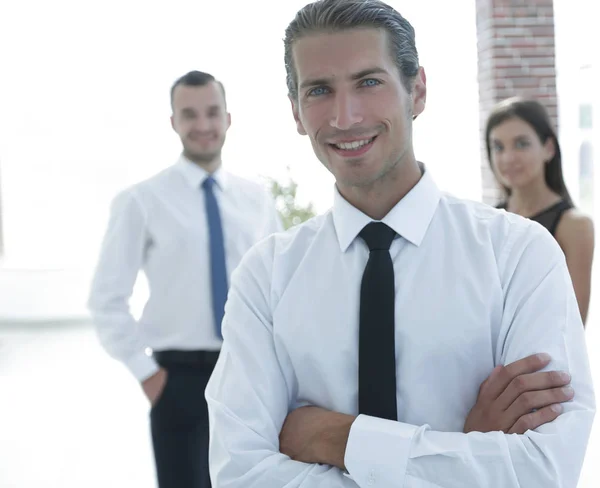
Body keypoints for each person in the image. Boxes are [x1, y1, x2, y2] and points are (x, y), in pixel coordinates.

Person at [205, 1, 595, 487]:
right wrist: (464, 447)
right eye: (320, 90)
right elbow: (240, 473)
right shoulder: (265, 277)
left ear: (418, 91)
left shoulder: (520, 255)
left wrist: (337, 438)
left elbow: (544, 469)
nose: (345, 117)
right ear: (297, 113)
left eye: (369, 81)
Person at [88, 70, 282, 488]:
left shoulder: (257, 200)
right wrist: (148, 375)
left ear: (228, 118)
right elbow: (106, 298)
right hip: (178, 379)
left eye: (212, 113)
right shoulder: (141, 200)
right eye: (189, 115)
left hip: (249, 374)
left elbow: (279, 289)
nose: (203, 125)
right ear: (173, 122)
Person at [486, 97, 594, 325]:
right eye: (498, 147)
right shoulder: (487, 221)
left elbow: (572, 325)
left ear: (548, 148)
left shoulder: (575, 226)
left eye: (521, 144)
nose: (508, 158)